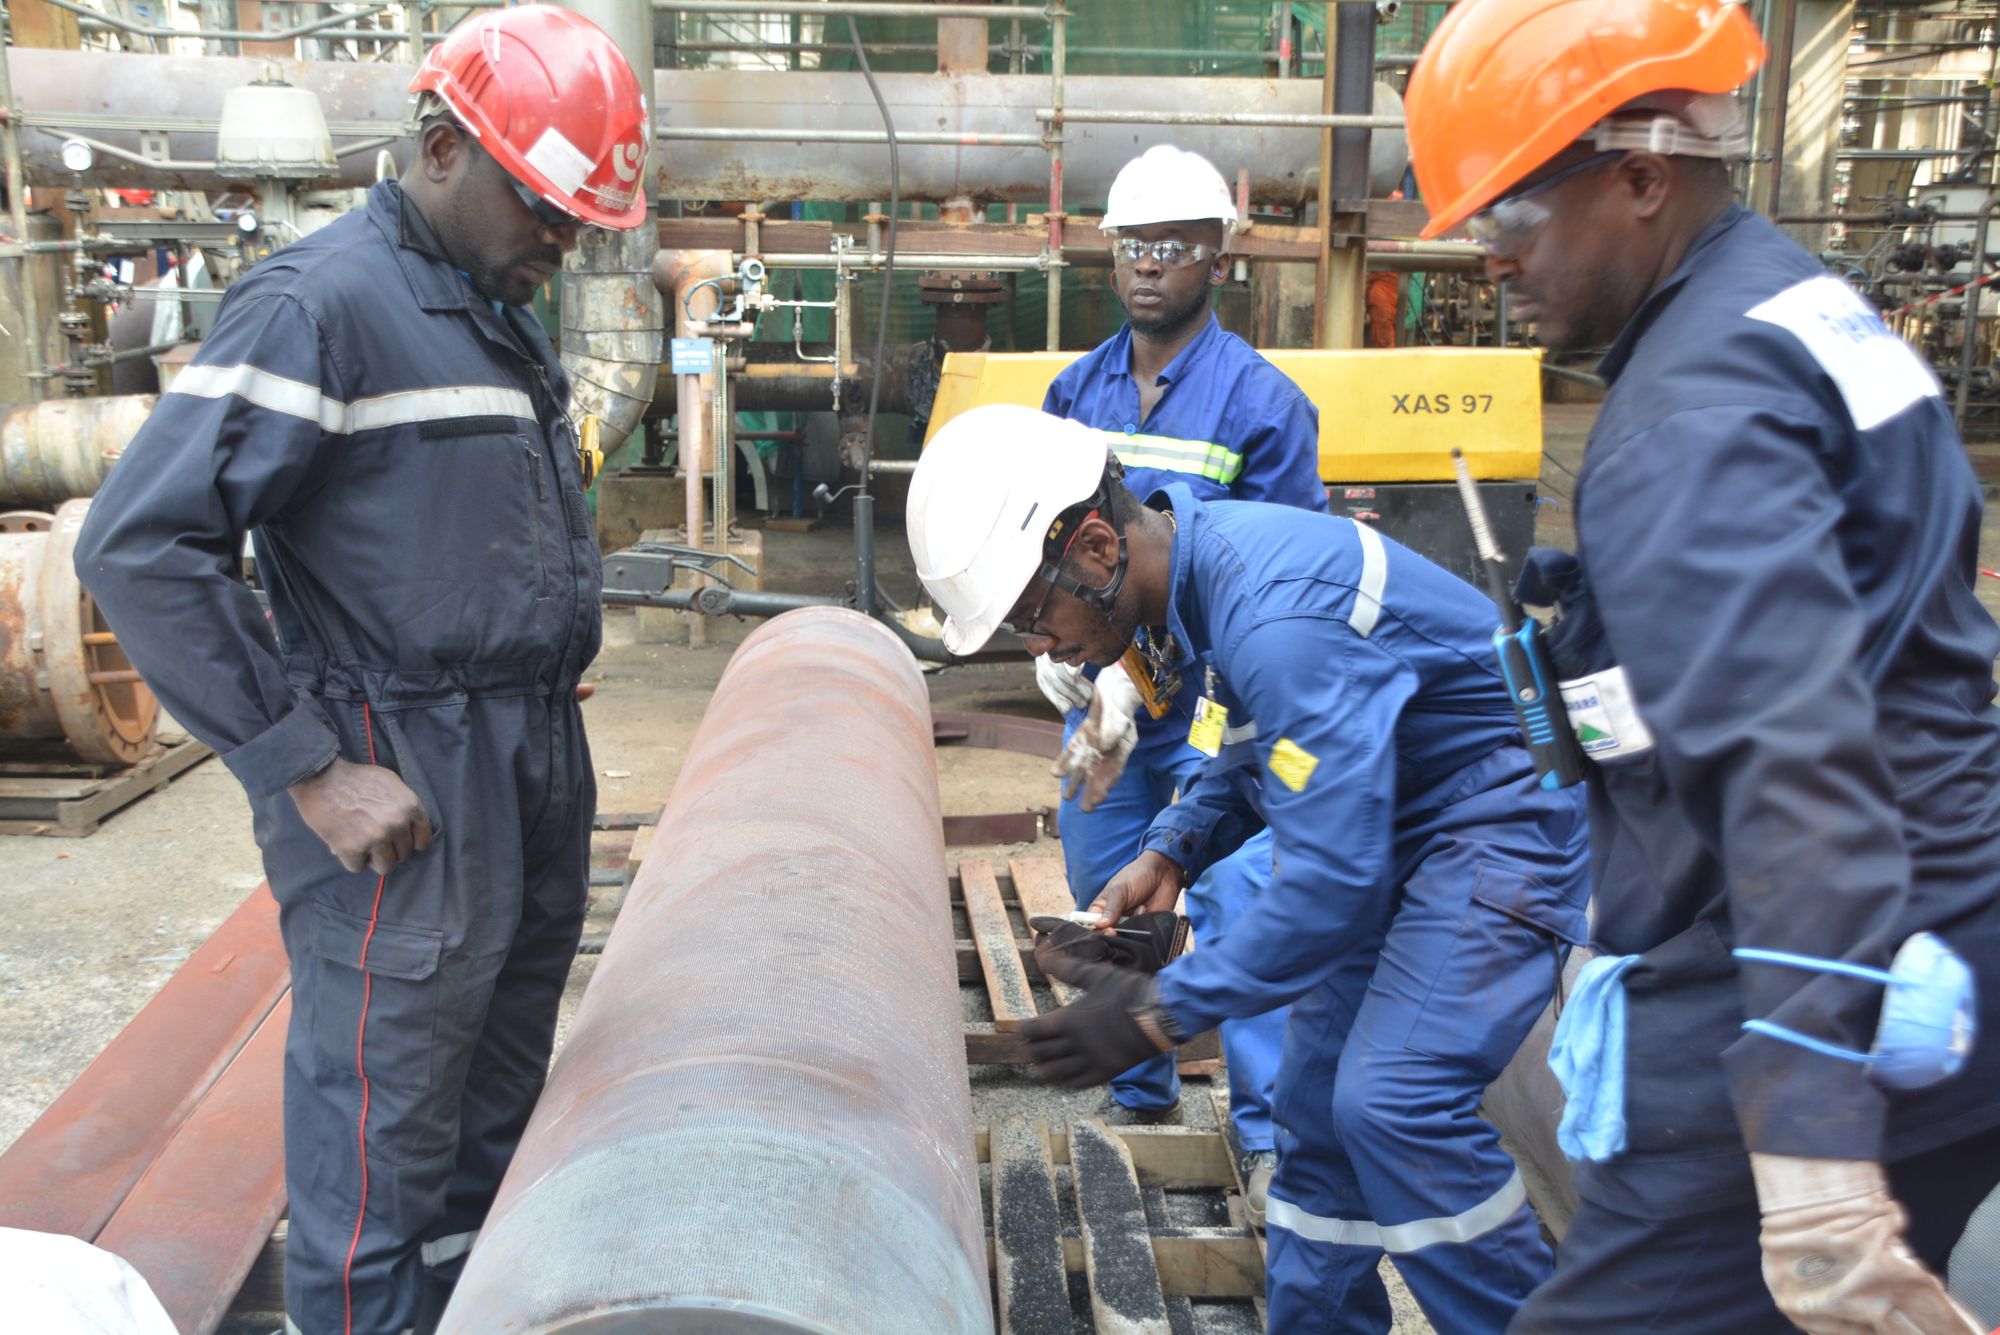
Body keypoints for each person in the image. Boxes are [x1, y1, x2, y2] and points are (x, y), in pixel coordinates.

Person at [1403, 2, 2000, 1331]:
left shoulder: (1688, 419)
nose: (1491, 264)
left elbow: (1793, 761)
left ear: (1640, 176)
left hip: (1822, 970)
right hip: (1947, 928)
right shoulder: (1800, 305)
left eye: (1509, 218)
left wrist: (1808, 1135)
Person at [71, 8, 651, 1332]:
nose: (563, 238)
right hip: (402, 777)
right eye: (543, 203)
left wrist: (528, 645)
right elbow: (140, 545)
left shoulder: (492, 308)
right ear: (445, 147)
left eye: (580, 215)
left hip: (522, 756)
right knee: (384, 1132)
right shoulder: (319, 308)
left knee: (495, 1108)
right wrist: (307, 767)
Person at [908, 403, 1591, 1333]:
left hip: (1495, 825)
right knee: (1315, 1119)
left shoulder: (1270, 612)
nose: (1041, 648)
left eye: (1034, 614)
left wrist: (1161, 1013)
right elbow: (1263, 749)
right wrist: (1171, 849)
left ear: (1098, 548)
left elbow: (1330, 880)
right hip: (1402, 824)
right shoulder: (1200, 572)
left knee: (1392, 1102)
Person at [1037, 144, 1327, 1220]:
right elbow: (1053, 549)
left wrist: (1159, 682)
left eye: (1170, 246)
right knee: (1106, 879)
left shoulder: (1263, 403)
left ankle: (1262, 1137)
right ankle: (1139, 1086)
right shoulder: (1076, 388)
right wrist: (1066, 664)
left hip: (1220, 706)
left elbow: (1271, 588)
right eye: (1129, 245)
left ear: (1216, 257)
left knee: (1242, 901)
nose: (1146, 266)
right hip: (1113, 708)